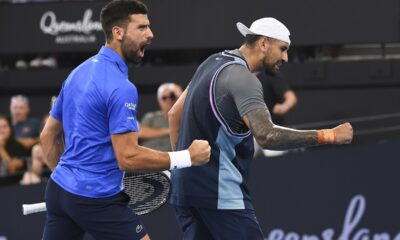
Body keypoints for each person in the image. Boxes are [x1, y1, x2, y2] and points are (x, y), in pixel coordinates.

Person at [168, 17, 353, 239]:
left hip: (184, 193)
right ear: (264, 43)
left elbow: (173, 114)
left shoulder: (211, 62)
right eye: (282, 49)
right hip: (221, 195)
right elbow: (267, 135)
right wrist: (329, 135)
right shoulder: (244, 79)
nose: (285, 57)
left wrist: (185, 169)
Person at [39, 1, 210, 240]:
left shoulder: (78, 72)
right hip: (95, 199)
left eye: (149, 27)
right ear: (118, 32)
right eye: (141, 28)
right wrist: (187, 157)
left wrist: (70, 181)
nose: (151, 34)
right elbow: (127, 156)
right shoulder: (121, 88)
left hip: (58, 191)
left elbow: (47, 135)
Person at [139, 83, 183, 151]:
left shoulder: (184, 118)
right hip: (149, 157)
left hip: (173, 158)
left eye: (172, 97)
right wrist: (170, 131)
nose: (169, 100)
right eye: (164, 98)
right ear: (159, 101)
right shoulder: (151, 117)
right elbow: (140, 133)